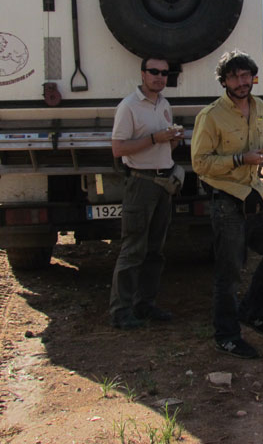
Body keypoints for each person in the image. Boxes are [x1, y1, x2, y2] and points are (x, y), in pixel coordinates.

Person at [191, 49, 263, 358]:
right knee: (229, 271)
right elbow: (200, 163)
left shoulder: (260, 107)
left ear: (253, 77)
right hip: (227, 198)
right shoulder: (210, 116)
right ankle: (227, 335)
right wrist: (239, 159)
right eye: (234, 76)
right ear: (224, 81)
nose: (241, 81)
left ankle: (252, 311)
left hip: (255, 194)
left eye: (246, 75)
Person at [109, 57, 183, 330]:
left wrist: (172, 140)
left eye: (165, 72)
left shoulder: (164, 104)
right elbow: (118, 149)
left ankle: (145, 304)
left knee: (155, 250)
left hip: (163, 183)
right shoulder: (129, 106)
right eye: (154, 72)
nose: (159, 77)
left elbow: (165, 149)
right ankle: (120, 311)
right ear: (142, 74)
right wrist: (155, 139)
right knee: (133, 250)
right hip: (141, 183)